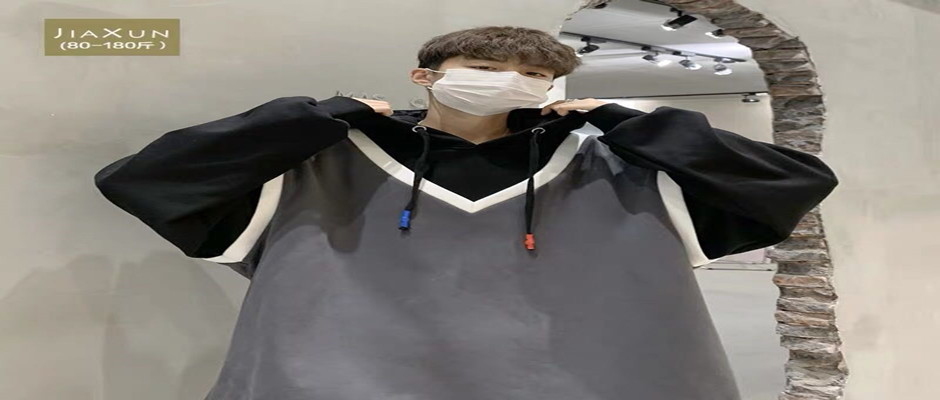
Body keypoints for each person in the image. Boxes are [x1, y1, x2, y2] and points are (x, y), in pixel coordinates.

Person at [94, 25, 838, 400]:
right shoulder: (312, 166)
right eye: (485, 69)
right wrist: (314, 118)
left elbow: (793, 184)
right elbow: (144, 180)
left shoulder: (625, 169)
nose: (512, 81)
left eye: (534, 73)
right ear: (425, 76)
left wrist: (630, 123)